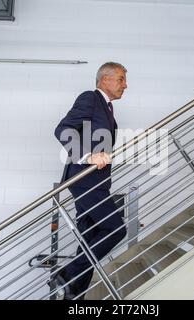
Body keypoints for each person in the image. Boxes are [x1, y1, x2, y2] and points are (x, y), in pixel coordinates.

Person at [52, 62, 128, 299]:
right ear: (104, 79)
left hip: (96, 181)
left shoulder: (107, 109)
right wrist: (88, 156)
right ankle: (68, 274)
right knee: (115, 229)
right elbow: (63, 129)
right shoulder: (90, 98)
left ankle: (75, 292)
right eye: (121, 79)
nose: (125, 85)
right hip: (85, 179)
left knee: (89, 236)